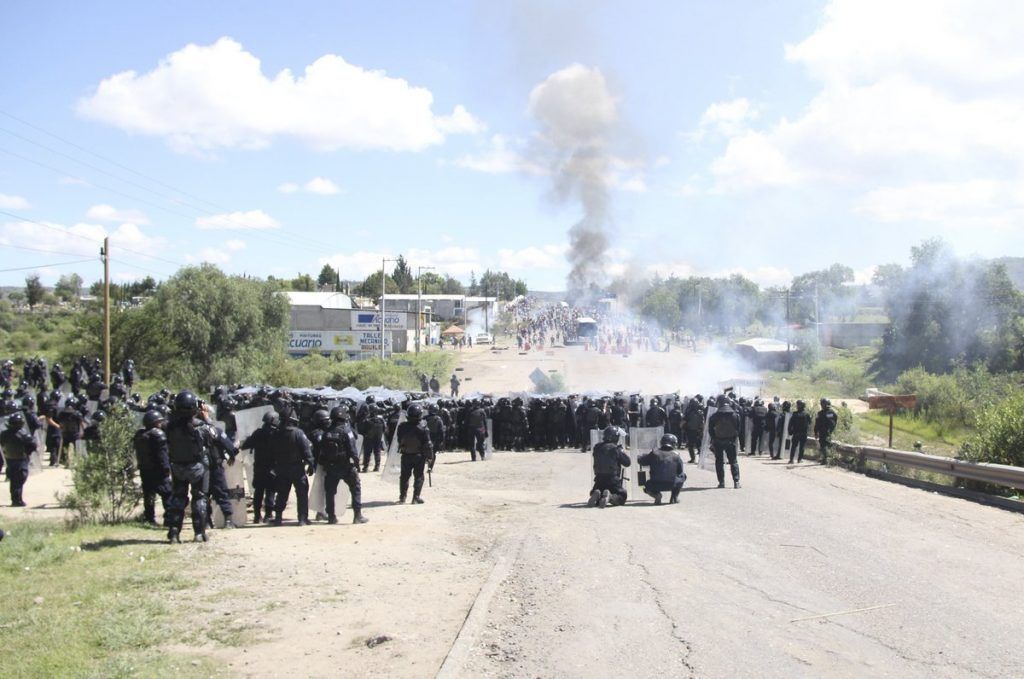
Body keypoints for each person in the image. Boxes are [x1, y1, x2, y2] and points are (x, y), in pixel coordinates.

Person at [164, 390, 218, 543]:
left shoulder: (169, 427)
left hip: (177, 466)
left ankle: (174, 532)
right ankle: (199, 533)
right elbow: (214, 434)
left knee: (178, 498)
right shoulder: (200, 426)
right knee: (200, 498)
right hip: (197, 467)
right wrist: (206, 417)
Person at [319, 407, 368, 524]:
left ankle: (331, 516)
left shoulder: (327, 432)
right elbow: (352, 450)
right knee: (355, 488)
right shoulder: (347, 431)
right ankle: (357, 516)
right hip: (345, 466)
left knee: (330, 492)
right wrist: (357, 463)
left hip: (331, 467)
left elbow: (322, 451)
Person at [271, 412, 315, 525]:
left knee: (282, 494)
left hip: (281, 468)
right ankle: (302, 518)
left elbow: (272, 450)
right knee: (302, 494)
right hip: (296, 468)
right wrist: (311, 463)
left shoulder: (276, 433)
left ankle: (278, 518)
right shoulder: (298, 433)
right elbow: (306, 450)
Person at [239, 411, 279, 524]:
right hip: (272, 467)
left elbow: (246, 445)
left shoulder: (258, 433)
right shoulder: (276, 433)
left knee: (258, 491)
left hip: (259, 467)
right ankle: (268, 515)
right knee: (270, 491)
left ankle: (257, 515)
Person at [133, 410, 171, 525]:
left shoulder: (139, 435)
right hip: (158, 470)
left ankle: (149, 518)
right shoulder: (158, 435)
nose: (161, 423)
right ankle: (169, 519)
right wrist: (166, 468)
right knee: (167, 493)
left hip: (145, 469)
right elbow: (162, 455)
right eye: (159, 421)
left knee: (149, 494)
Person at [396, 404, 433, 504]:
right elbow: (428, 444)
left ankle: (402, 498)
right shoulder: (423, 428)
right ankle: (415, 498)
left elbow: (399, 440)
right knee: (419, 476)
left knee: (404, 477)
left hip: (406, 454)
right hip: (419, 456)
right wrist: (430, 457)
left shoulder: (402, 427)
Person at [588, 426, 630, 507]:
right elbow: (627, 463)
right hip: (612, 480)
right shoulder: (616, 449)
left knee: (599, 491)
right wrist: (622, 451)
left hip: (599, 479)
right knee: (622, 496)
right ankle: (610, 497)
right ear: (615, 437)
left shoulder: (597, 447)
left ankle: (597, 493)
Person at [1, 412, 37, 507]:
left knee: (15, 480)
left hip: (11, 459)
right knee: (19, 479)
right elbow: (33, 445)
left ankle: (16, 499)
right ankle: (16, 500)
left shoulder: (5, 434)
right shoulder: (22, 435)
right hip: (19, 460)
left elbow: (32, 445)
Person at [638, 434, 686, 504]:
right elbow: (680, 471)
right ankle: (674, 497)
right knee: (683, 476)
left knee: (646, 485)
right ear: (674, 443)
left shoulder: (654, 453)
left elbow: (642, 461)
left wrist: (640, 457)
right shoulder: (676, 455)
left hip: (655, 485)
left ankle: (656, 495)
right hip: (672, 484)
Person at [708, 397, 741, 489]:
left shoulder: (714, 416)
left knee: (719, 461)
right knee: (733, 461)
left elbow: (710, 430)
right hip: (731, 441)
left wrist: (714, 439)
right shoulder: (735, 415)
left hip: (718, 441)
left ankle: (721, 482)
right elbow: (738, 429)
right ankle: (736, 481)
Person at [358, 404, 386, 472]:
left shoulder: (367, 420)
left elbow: (361, 430)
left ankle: (365, 467)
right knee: (377, 452)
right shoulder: (381, 420)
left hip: (368, 438)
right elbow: (384, 429)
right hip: (378, 439)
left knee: (367, 453)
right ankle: (377, 467)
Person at [814, 398, 838, 464]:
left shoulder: (822, 413)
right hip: (827, 432)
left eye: (823, 404)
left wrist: (816, 432)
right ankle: (827, 458)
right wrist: (816, 432)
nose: (822, 405)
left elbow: (833, 422)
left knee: (824, 445)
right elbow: (834, 422)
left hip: (824, 432)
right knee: (825, 445)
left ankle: (825, 459)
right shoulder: (831, 413)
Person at [788, 400, 812, 464]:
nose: (797, 406)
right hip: (803, 433)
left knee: (794, 446)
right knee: (801, 447)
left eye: (798, 405)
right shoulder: (806, 414)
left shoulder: (795, 414)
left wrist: (790, 431)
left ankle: (791, 460)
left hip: (796, 433)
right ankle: (799, 459)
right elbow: (810, 423)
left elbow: (790, 423)